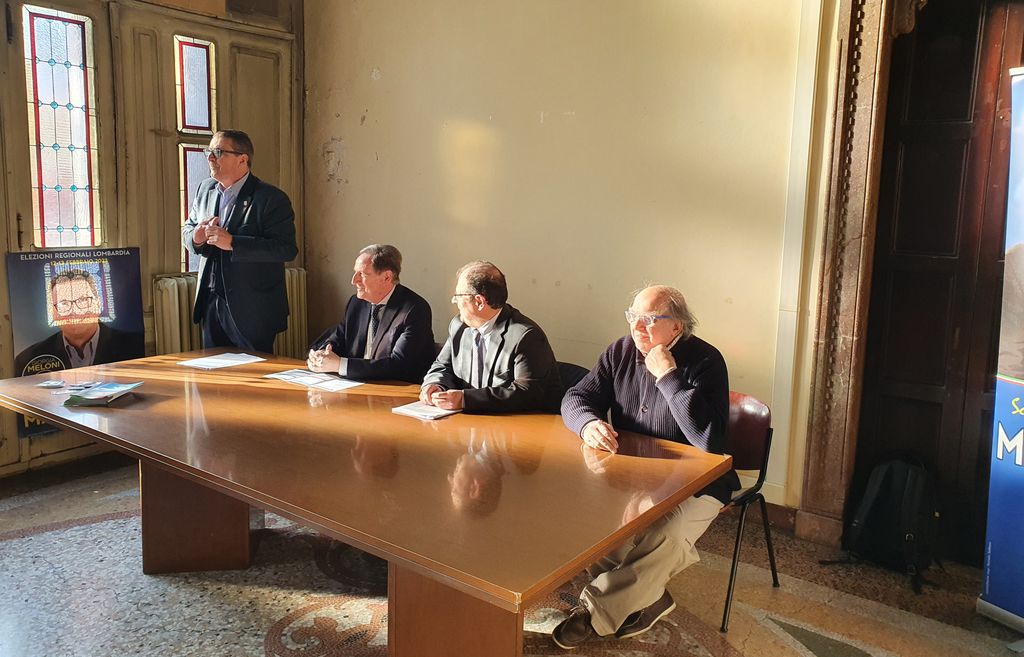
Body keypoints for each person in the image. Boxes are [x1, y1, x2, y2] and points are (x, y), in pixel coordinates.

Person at [553, 285, 739, 649]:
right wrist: (587, 424)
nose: (637, 327)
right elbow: (577, 397)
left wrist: (668, 377)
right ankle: (648, 595)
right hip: (634, 473)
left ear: (677, 327)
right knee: (590, 518)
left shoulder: (707, 361)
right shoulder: (620, 351)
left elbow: (709, 440)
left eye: (650, 319)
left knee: (668, 535)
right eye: (633, 317)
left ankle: (594, 611)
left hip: (700, 481)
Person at [182, 129, 298, 353]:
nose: (210, 158)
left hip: (253, 308)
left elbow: (286, 249)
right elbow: (188, 229)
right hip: (211, 302)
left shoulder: (271, 198)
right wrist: (196, 236)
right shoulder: (205, 189)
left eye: (218, 152)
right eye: (209, 151)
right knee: (214, 370)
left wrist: (234, 243)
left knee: (253, 372)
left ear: (242, 160)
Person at [420, 261, 561, 413]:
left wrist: (465, 399)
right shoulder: (458, 326)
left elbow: (526, 393)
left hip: (519, 421)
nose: (454, 301)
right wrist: (435, 384)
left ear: (479, 302)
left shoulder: (525, 336)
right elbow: (442, 365)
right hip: (469, 420)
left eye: (458, 296)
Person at [307, 245, 434, 383]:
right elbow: (338, 338)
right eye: (355, 273)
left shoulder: (414, 309)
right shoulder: (357, 303)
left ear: (386, 277)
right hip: (356, 384)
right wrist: (322, 355)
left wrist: (340, 365)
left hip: (395, 388)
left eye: (362, 274)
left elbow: (399, 365)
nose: (354, 280)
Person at [15, 269, 144, 376]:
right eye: (64, 303)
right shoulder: (27, 360)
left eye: (83, 300)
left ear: (98, 304)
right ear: (52, 312)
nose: (74, 311)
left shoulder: (134, 347)